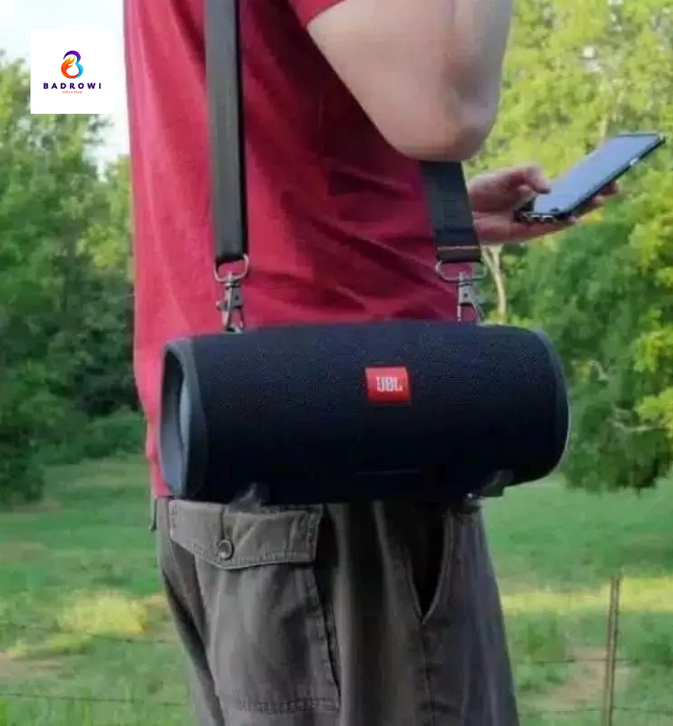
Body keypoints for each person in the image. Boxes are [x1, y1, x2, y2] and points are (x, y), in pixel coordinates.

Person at [123, 0, 614, 724]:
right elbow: (445, 110)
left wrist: (421, 216)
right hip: (343, 469)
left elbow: (272, 117)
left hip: (235, 444)